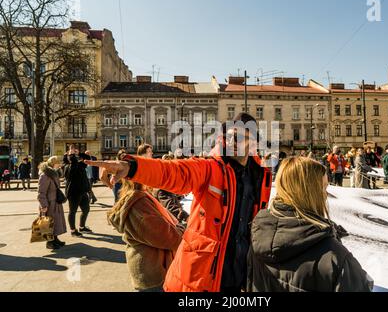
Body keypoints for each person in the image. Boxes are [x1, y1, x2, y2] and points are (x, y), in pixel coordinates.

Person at [86, 113, 272, 293]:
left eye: (239, 137)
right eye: (228, 136)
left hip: (240, 274)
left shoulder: (260, 176)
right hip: (205, 274)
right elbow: (174, 172)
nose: (231, 141)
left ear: (253, 142)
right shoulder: (211, 167)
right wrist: (133, 167)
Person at [247, 157, 373, 292]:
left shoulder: (257, 235)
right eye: (323, 187)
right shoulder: (333, 255)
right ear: (309, 192)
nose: (326, 194)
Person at [107, 179, 184, 292]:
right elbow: (169, 237)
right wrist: (183, 229)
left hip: (152, 269)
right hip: (153, 274)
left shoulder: (142, 196)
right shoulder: (139, 203)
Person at [37, 156, 67, 250]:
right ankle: (50, 243)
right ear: (54, 164)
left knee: (56, 223)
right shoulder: (45, 175)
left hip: (55, 202)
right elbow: (41, 192)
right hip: (49, 204)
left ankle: (55, 239)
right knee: (49, 223)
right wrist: (44, 205)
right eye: (58, 163)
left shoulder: (53, 173)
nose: (60, 165)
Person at [153, 154, 189, 224]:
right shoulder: (162, 188)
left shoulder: (166, 184)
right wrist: (186, 217)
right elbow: (170, 207)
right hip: (169, 224)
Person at [64, 152, 92, 237]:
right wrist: (70, 157)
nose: (77, 158)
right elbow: (72, 168)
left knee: (86, 209)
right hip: (73, 193)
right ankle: (73, 231)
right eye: (75, 157)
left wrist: (79, 153)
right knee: (72, 212)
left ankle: (82, 227)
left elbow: (88, 158)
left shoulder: (80, 165)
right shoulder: (68, 167)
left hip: (83, 191)